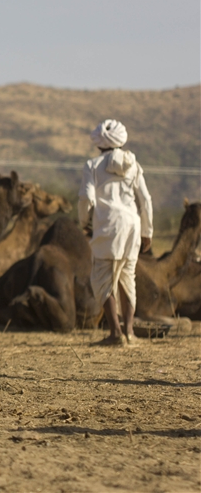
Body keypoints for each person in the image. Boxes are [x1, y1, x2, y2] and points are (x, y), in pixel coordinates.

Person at [78, 119, 152, 346]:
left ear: (99, 142)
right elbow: (145, 200)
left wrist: (85, 223)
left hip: (106, 226)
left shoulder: (92, 165)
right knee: (128, 278)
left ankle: (115, 333)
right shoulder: (134, 165)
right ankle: (129, 332)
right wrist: (147, 231)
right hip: (131, 227)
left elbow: (85, 198)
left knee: (103, 279)